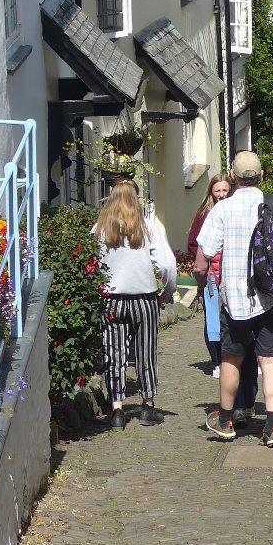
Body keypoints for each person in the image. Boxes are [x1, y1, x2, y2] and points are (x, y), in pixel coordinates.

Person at [192, 151, 273, 448]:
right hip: (271, 297)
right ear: (262, 175)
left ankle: (226, 420)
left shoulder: (223, 209)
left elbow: (203, 257)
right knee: (269, 360)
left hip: (236, 301)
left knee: (231, 358)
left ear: (232, 176)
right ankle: (272, 427)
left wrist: (203, 282)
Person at [93, 180, 176, 429]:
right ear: (135, 199)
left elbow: (93, 264)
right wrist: (168, 291)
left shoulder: (100, 228)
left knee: (114, 353)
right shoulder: (146, 226)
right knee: (145, 352)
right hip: (143, 298)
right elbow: (167, 264)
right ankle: (147, 406)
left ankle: (117, 410)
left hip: (112, 300)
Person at [185, 175, 233, 379]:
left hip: (232, 272)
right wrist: (206, 256)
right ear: (211, 193)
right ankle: (217, 360)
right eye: (217, 191)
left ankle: (235, 358)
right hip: (212, 274)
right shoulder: (204, 214)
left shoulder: (235, 210)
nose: (221, 195)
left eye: (225, 190)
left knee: (232, 317)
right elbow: (193, 243)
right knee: (213, 318)